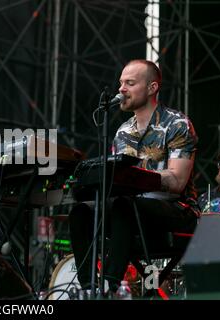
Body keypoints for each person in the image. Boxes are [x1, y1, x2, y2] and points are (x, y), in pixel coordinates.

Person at [69, 59, 199, 295]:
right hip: (132, 207)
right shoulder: (123, 131)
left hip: (177, 209)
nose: (121, 89)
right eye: (120, 83)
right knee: (81, 211)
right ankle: (88, 286)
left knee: (123, 205)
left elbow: (178, 181)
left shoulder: (177, 124)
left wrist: (135, 179)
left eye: (130, 83)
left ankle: (109, 285)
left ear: (152, 88)